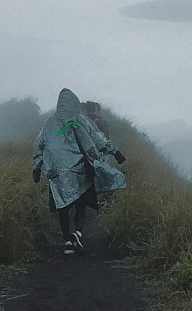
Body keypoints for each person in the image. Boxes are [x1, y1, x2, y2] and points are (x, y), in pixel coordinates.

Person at [32, 88, 126, 255]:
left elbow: (39, 145)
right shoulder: (79, 120)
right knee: (80, 204)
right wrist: (115, 152)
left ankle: (68, 241)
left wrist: (37, 167)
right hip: (80, 169)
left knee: (63, 205)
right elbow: (97, 137)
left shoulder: (49, 123)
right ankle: (78, 233)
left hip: (57, 172)